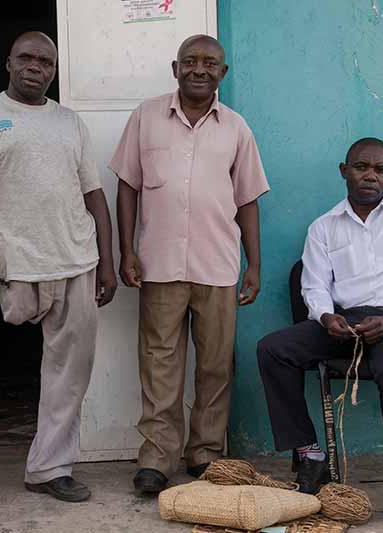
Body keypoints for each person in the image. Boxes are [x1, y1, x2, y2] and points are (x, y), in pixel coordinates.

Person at [0, 31, 117, 503]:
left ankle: (49, 468)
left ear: (54, 70)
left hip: (76, 256)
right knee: (21, 349)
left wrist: (107, 263)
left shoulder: (70, 122)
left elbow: (94, 196)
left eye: (47, 61)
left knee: (69, 369)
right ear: (9, 63)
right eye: (28, 58)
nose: (37, 66)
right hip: (15, 259)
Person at [110, 34, 270, 495]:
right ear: (174, 67)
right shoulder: (146, 117)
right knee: (159, 363)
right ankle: (157, 458)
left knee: (216, 365)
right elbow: (127, 186)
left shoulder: (236, 128)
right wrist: (127, 249)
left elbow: (248, 200)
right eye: (191, 61)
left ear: (224, 73)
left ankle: (205, 454)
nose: (200, 70)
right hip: (158, 264)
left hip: (218, 265)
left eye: (210, 63)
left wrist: (253, 265)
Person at [257, 138, 383, 519]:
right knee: (273, 349)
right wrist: (326, 317)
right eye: (361, 167)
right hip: (345, 320)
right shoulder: (324, 227)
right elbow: (314, 285)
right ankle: (311, 456)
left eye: (380, 170)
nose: (370, 176)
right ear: (344, 170)